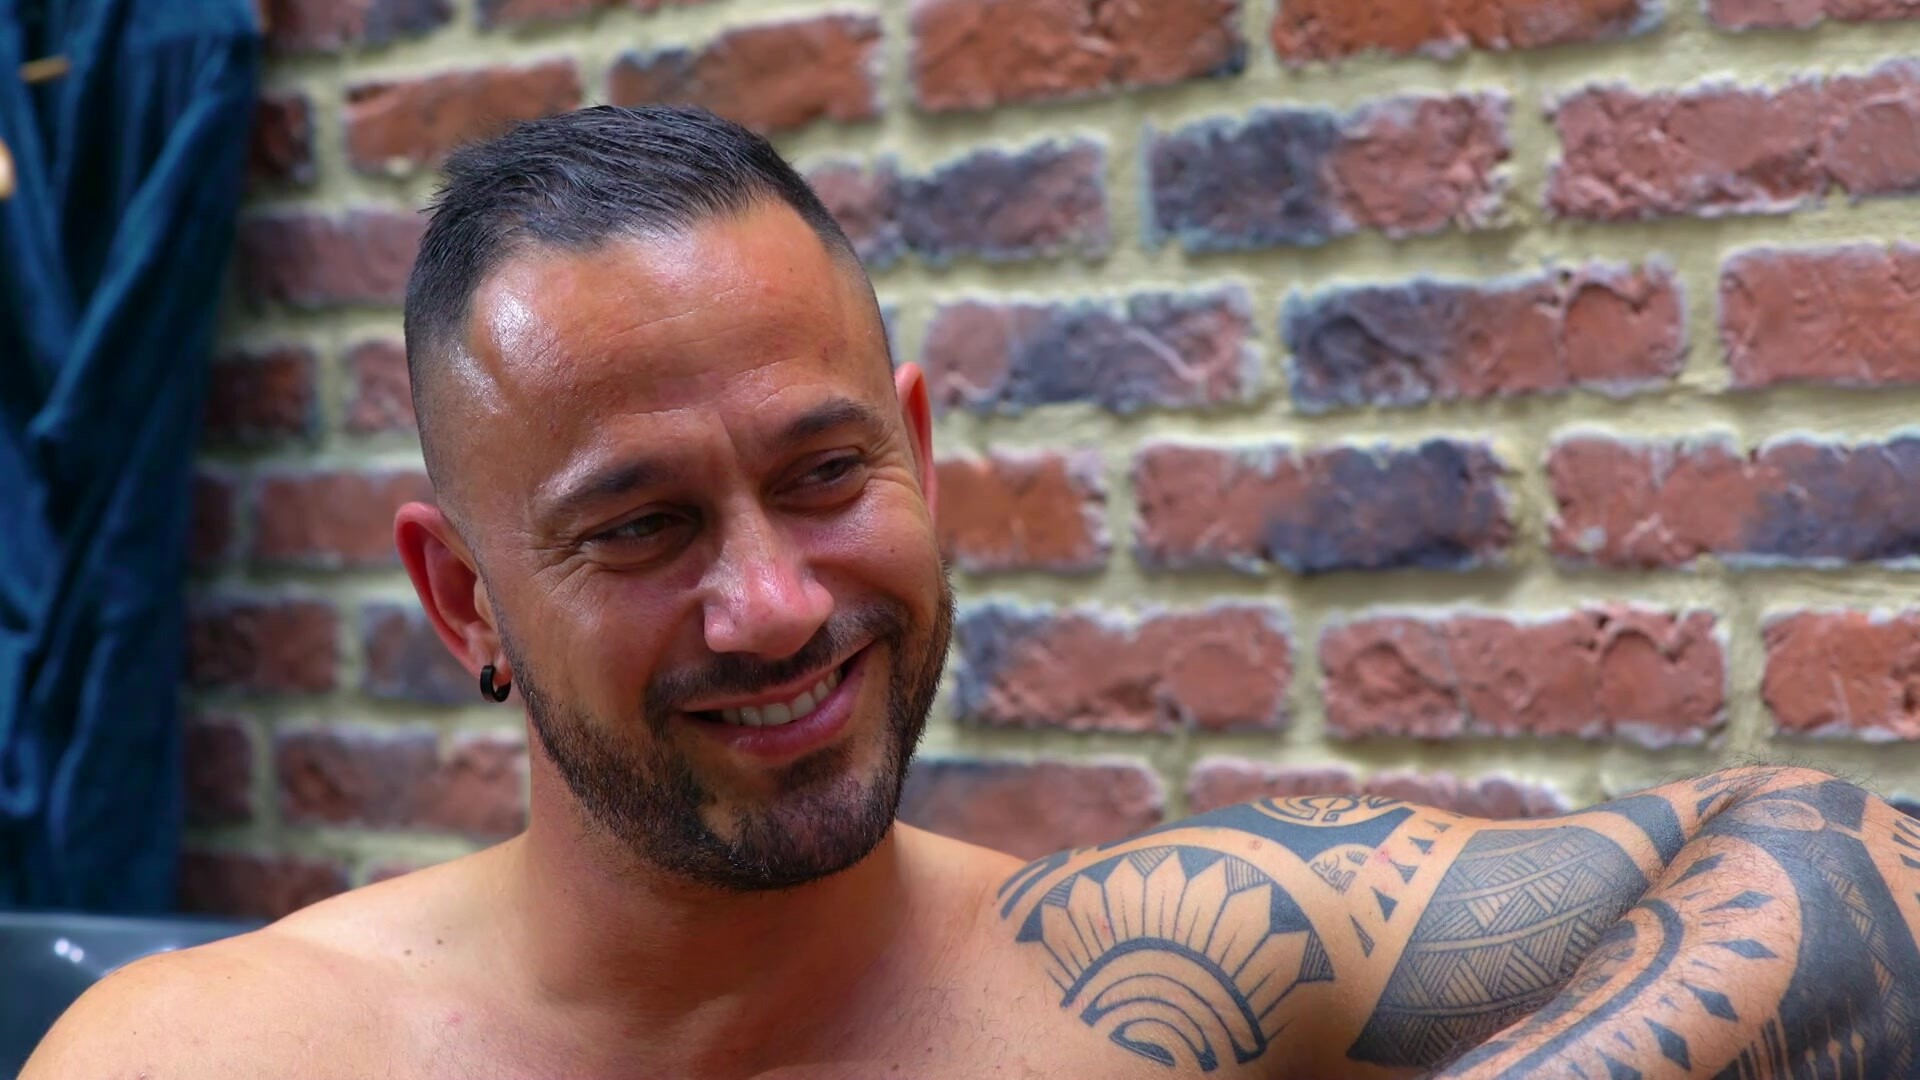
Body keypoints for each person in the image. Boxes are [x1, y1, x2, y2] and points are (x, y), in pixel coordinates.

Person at [27, 105, 1920, 1080]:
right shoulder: (209, 1055)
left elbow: (1848, 863)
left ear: (918, 454)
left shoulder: (1172, 973)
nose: (774, 604)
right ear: (462, 602)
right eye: (644, 528)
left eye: (825, 476)